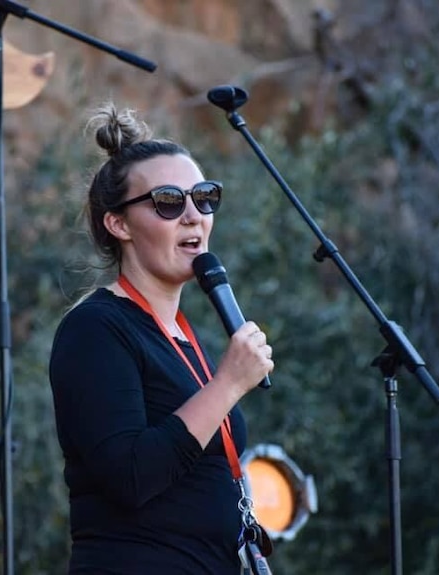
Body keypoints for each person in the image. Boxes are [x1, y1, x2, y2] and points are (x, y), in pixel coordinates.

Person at [49, 103, 274, 574]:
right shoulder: (95, 328)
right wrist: (228, 385)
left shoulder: (186, 339)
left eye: (204, 198)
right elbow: (131, 475)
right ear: (119, 224)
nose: (193, 215)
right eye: (169, 202)